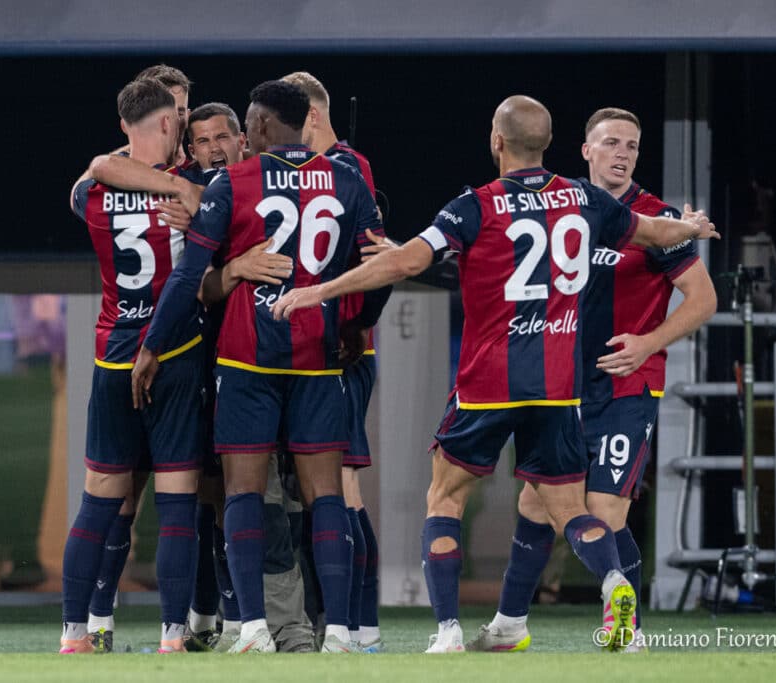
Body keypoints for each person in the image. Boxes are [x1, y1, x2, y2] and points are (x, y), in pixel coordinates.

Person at [271, 95, 719, 653]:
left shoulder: (474, 205)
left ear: (496, 141)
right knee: (564, 508)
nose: (623, 154)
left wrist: (320, 289)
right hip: (559, 387)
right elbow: (652, 231)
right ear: (559, 146)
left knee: (445, 497)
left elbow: (411, 261)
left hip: (491, 380)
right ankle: (608, 583)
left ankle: (448, 633)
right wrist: (691, 227)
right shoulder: (583, 199)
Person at [130, 79, 386, 654]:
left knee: (243, 494)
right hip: (319, 360)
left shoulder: (235, 182)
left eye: (248, 122)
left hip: (249, 360)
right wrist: (354, 322)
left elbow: (190, 278)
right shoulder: (348, 179)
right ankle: (342, 633)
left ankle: (251, 631)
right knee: (327, 498)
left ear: (264, 127)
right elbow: (379, 266)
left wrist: (151, 346)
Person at [466, 107, 717, 654]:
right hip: (562, 387)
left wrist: (648, 344)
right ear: (585, 151)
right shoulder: (568, 206)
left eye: (631, 144)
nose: (622, 153)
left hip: (627, 387)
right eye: (610, 143)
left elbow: (704, 299)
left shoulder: (657, 217)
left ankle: (629, 631)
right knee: (535, 505)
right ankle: (509, 624)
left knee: (604, 511)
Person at [61, 78, 206, 655]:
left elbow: (97, 171)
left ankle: (75, 633)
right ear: (171, 123)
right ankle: (173, 635)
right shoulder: (195, 186)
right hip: (173, 351)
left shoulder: (90, 195)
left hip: (112, 352)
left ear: (126, 125)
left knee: (99, 499)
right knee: (176, 498)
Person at [281, 70, 390, 653]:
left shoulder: (347, 168)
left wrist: (355, 324)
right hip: (306, 352)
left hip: (341, 351)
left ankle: (358, 626)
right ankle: (336, 621)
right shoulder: (301, 174)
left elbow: (380, 259)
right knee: (319, 490)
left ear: (313, 118)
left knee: (342, 488)